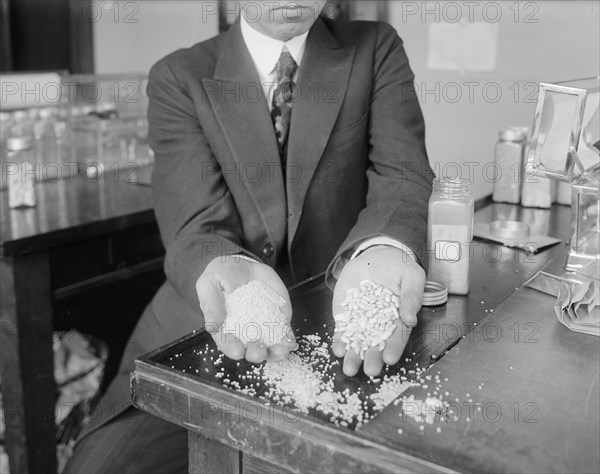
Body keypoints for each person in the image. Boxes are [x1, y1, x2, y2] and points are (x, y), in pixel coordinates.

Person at [64, 1, 432, 472]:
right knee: (102, 466)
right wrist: (221, 265)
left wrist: (384, 246)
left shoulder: (375, 49)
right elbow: (195, 223)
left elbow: (402, 176)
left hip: (338, 321)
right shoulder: (180, 75)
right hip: (202, 318)